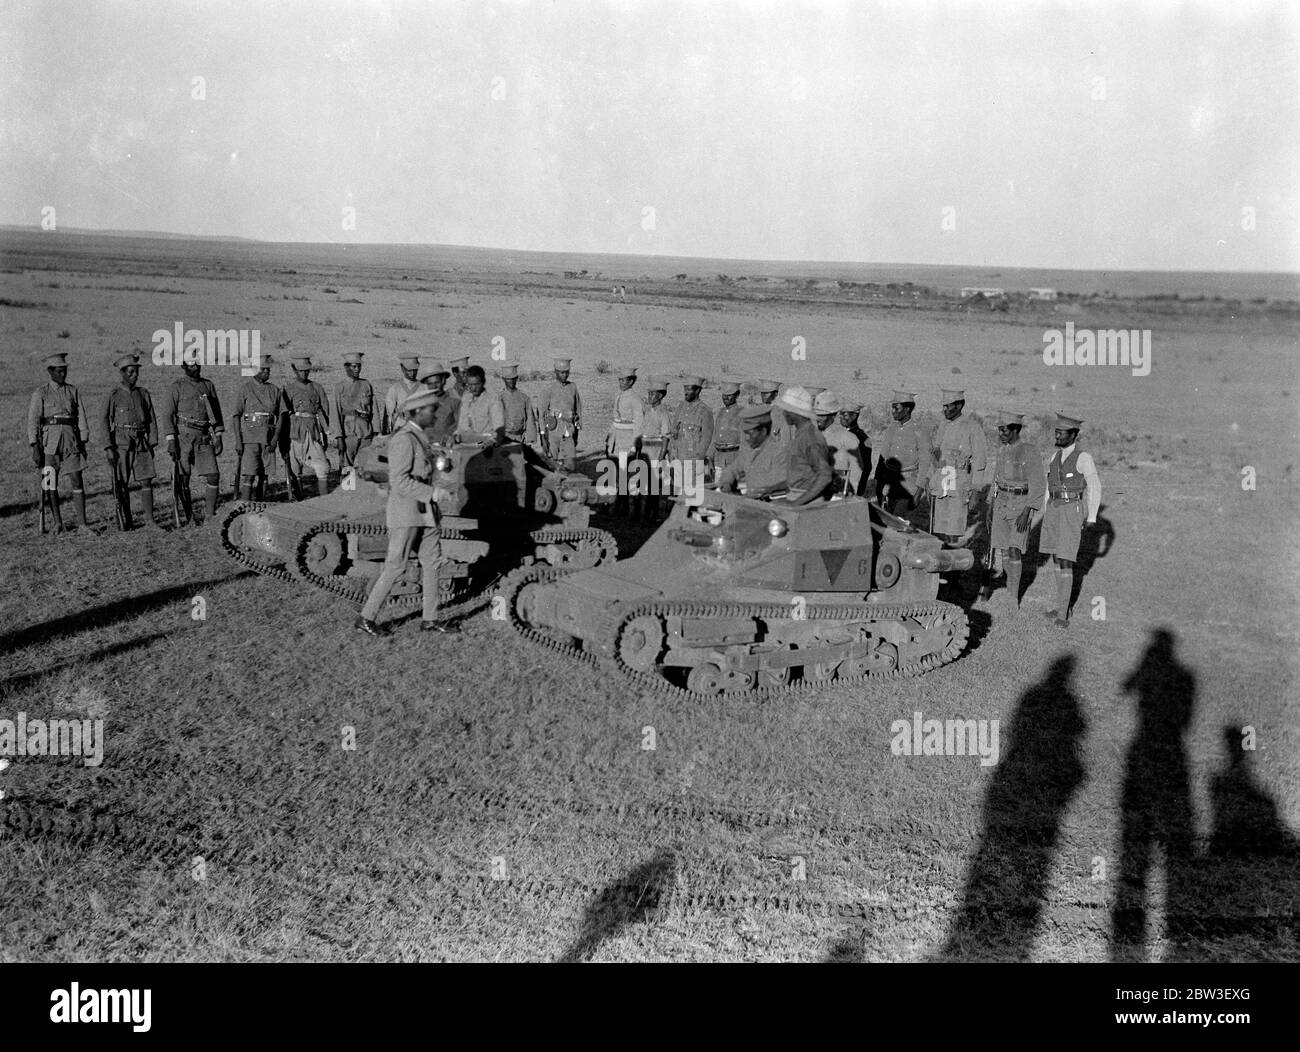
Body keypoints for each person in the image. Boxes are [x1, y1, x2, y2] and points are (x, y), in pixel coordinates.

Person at [355, 388, 457, 637]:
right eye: (431, 410)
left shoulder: (421, 438)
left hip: (425, 514)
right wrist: (431, 494)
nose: (435, 415)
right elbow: (399, 480)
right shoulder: (403, 439)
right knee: (396, 566)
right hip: (407, 513)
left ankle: (430, 619)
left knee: (432, 564)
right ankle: (366, 617)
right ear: (418, 411)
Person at [1040, 412, 1101, 629]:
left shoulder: (1083, 458)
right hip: (1054, 510)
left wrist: (1092, 516)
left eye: (1062, 433)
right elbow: (1049, 485)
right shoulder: (1054, 457)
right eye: (1056, 432)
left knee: (1065, 559)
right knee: (1056, 559)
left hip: (1071, 510)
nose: (1057, 436)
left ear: (1074, 434)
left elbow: (1094, 486)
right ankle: (1061, 606)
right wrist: (1044, 508)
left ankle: (1063, 615)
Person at [983, 411, 1046, 610]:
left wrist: (1027, 511)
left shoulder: (1029, 451)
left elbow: (1038, 483)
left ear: (1016, 430)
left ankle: (1012, 599)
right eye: (999, 430)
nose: (1001, 434)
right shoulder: (1002, 450)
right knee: (1002, 548)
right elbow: (995, 479)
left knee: (1014, 549)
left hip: (1020, 505)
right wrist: (990, 506)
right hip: (1001, 503)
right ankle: (1008, 587)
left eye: (1005, 430)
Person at [28, 351, 92, 531]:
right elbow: (33, 420)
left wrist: (83, 439)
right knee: (50, 483)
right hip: (50, 442)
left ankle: (82, 524)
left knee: (77, 479)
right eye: (58, 371)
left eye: (64, 370)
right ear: (50, 371)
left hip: (71, 439)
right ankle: (57, 523)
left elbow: (81, 417)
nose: (63, 374)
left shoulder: (73, 390)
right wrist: (34, 445)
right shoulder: (41, 393)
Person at [159, 358, 225, 522]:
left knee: (213, 475)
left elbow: (216, 413)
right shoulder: (177, 387)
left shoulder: (208, 385)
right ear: (184, 367)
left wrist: (218, 436)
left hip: (203, 437)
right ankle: (189, 515)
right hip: (183, 438)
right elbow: (167, 415)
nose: (195, 368)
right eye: (190, 365)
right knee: (183, 478)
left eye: (197, 364)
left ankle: (209, 515)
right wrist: (171, 439)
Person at [101, 353, 159, 525]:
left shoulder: (143, 393)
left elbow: (151, 418)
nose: (135, 375)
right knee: (121, 482)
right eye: (131, 372)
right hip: (121, 442)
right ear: (122, 373)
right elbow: (104, 420)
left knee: (146, 479)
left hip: (141, 441)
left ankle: (150, 520)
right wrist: (108, 447)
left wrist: (153, 440)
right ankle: (126, 520)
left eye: (136, 372)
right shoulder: (113, 395)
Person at [929, 387, 988, 544]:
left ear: (960, 405)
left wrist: (975, 490)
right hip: (941, 482)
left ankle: (953, 564)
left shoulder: (972, 427)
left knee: (954, 530)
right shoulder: (943, 425)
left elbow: (980, 461)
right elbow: (935, 455)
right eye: (944, 406)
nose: (945, 410)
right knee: (939, 529)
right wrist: (931, 481)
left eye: (949, 406)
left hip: (960, 483)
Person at [231, 354, 287, 501]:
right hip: (249, 439)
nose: (266, 372)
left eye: (268, 370)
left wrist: (275, 438)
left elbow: (281, 415)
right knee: (249, 475)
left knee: (265, 474)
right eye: (263, 369)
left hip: (268, 439)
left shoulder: (274, 390)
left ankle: (260, 505)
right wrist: (238, 440)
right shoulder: (245, 389)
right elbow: (236, 415)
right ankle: (245, 506)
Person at [873, 388, 933, 519]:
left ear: (907, 409)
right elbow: (883, 457)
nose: (893, 411)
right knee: (887, 523)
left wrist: (918, 492)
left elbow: (925, 464)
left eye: (897, 408)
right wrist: (879, 486)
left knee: (898, 524)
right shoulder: (891, 429)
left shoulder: (920, 432)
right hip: (889, 486)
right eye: (892, 408)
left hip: (908, 488)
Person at [280, 355, 331, 498]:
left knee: (323, 466)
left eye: (307, 370)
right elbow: (283, 415)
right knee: (295, 468)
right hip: (295, 433)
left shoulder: (317, 388)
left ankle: (324, 499)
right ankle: (298, 499)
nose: (304, 373)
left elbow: (323, 410)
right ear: (295, 371)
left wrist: (325, 431)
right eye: (301, 371)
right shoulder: (287, 389)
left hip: (313, 432)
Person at [775, 385, 834, 505]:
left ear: (794, 412)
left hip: (807, 501)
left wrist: (796, 503)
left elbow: (825, 475)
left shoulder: (810, 437)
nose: (784, 414)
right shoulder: (801, 434)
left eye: (786, 410)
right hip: (796, 494)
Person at [715, 404, 788, 499]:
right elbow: (732, 469)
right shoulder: (749, 451)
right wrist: (726, 481)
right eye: (745, 433)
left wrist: (745, 483)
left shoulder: (779, 452)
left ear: (763, 431)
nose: (746, 438)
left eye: (750, 434)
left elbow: (776, 480)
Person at [606, 366, 644, 517]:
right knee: (617, 474)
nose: (621, 383)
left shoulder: (635, 399)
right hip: (616, 440)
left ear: (632, 381)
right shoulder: (620, 396)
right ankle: (618, 504)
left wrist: (635, 445)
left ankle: (626, 507)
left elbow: (639, 424)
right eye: (620, 380)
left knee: (625, 475)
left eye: (624, 380)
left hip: (627, 442)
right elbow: (616, 420)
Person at [331, 351, 375, 470]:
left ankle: (361, 489)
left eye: (359, 366)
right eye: (354, 366)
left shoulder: (366, 384)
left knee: (366, 468)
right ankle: (347, 488)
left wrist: (376, 432)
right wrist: (339, 437)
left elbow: (374, 410)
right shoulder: (340, 387)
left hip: (366, 433)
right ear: (346, 367)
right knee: (347, 469)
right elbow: (335, 414)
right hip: (348, 433)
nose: (357, 369)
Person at [816, 391, 862, 497]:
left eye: (822, 416)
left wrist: (849, 495)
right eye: (816, 415)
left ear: (833, 416)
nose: (818, 419)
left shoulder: (847, 438)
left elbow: (856, 469)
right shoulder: (812, 436)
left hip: (837, 494)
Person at [539, 356, 581, 471]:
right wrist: (542, 435)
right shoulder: (549, 388)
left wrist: (576, 431)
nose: (564, 375)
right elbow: (542, 413)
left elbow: (578, 410)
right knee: (552, 466)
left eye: (566, 372)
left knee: (570, 466)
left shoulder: (573, 387)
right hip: (553, 431)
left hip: (569, 430)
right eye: (561, 372)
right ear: (555, 372)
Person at [639, 376, 672, 521]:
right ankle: (644, 513)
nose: (650, 397)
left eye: (653, 394)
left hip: (656, 453)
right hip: (645, 453)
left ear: (660, 396)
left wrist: (661, 457)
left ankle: (654, 515)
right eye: (649, 393)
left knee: (655, 486)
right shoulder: (646, 411)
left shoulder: (663, 413)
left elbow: (665, 437)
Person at [668, 375, 714, 480]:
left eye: (689, 389)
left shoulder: (705, 411)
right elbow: (674, 432)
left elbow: (707, 439)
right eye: (685, 389)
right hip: (678, 459)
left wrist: (698, 460)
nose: (686, 392)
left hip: (693, 461)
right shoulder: (680, 407)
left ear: (698, 390)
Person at [456, 364, 506, 445]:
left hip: (487, 445)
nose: (473, 388)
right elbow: (462, 425)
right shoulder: (466, 397)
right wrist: (456, 436)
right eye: (470, 385)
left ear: (483, 382)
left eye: (477, 384)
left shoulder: (492, 399)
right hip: (467, 445)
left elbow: (499, 427)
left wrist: (493, 441)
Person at [419, 362, 460, 445]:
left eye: (436, 383)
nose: (434, 387)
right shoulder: (420, 404)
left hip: (445, 450)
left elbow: (462, 426)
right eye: (430, 384)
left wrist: (452, 436)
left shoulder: (454, 402)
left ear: (443, 380)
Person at [497, 363, 538, 446]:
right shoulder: (498, 398)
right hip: (503, 439)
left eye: (513, 378)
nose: (511, 381)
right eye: (508, 379)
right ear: (503, 379)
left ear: (516, 378)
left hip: (520, 438)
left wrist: (530, 440)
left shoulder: (524, 398)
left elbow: (530, 420)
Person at [381, 354, 422, 434]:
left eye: (415, 370)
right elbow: (389, 415)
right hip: (401, 430)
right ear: (402, 368)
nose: (413, 373)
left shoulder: (424, 387)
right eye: (409, 370)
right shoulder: (395, 389)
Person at [710, 381, 743, 480]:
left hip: (734, 457)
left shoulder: (742, 413)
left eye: (729, 395)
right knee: (718, 490)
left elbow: (745, 439)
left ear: (737, 395)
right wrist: (710, 456)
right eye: (724, 395)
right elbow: (715, 435)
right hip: (719, 458)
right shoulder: (721, 412)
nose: (726, 398)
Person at [838, 398, 871, 496]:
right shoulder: (860, 435)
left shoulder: (854, 437)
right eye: (841, 414)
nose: (841, 417)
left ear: (854, 416)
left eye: (845, 414)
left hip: (850, 487)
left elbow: (863, 467)